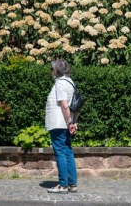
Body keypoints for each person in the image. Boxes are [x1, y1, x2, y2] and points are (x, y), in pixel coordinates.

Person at [45, 59, 79, 194]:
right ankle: (72, 184)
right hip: (66, 123)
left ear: (57, 70)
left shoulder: (60, 84)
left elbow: (65, 105)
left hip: (59, 123)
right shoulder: (71, 83)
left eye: (52, 69)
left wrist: (69, 123)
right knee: (68, 152)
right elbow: (77, 105)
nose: (51, 71)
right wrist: (73, 122)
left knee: (60, 153)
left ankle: (63, 185)